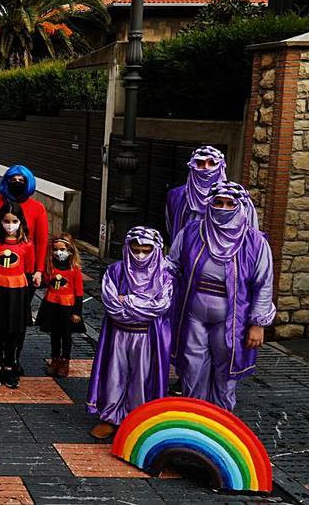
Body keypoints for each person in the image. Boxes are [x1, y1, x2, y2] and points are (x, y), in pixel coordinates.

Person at [168, 182, 275, 411]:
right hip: (193, 313)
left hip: (231, 319)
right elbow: (171, 267)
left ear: (240, 206)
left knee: (225, 371)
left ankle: (221, 421)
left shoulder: (255, 242)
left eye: (230, 204)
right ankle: (193, 417)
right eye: (218, 202)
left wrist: (258, 324)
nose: (223, 208)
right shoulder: (191, 233)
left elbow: (263, 284)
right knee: (192, 367)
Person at [86, 226, 173, 439]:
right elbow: (112, 305)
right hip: (118, 333)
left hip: (147, 337)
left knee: (141, 378)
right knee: (115, 374)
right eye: (136, 249)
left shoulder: (163, 275)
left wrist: (130, 301)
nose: (140, 255)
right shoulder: (115, 271)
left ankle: (137, 419)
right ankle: (111, 417)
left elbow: (161, 306)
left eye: (146, 250)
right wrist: (141, 305)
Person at [0, 200, 38, 389]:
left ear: (21, 222)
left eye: (14, 221)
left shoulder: (27, 245)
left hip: (17, 290)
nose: (10, 225)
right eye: (7, 221)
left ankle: (10, 365)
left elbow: (29, 269)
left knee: (14, 331)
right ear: (0, 222)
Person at [34, 233, 86, 378]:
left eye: (62, 249)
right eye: (56, 249)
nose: (59, 252)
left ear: (69, 250)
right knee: (54, 334)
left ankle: (65, 360)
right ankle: (55, 358)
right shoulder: (50, 267)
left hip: (67, 306)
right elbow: (45, 281)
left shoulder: (74, 270)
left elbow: (79, 293)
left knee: (66, 335)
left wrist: (77, 312)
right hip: (51, 305)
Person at [0, 165, 49, 296]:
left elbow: (42, 241)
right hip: (0, 266)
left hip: (26, 266)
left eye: (21, 180)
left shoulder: (37, 208)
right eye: (13, 180)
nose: (17, 183)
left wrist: (39, 270)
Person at [166, 145, 227, 241]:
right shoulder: (175, 196)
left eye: (212, 163)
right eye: (200, 163)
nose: (206, 168)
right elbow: (171, 227)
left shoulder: (233, 199)